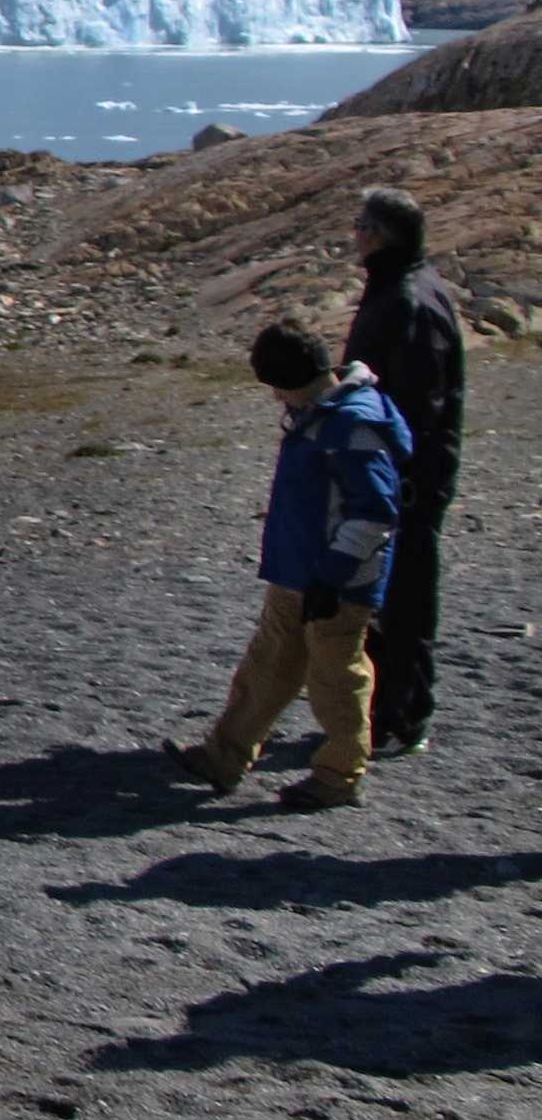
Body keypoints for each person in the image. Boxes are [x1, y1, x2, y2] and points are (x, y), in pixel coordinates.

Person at [168, 322, 412, 812]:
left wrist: (335, 574)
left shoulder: (350, 425)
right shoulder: (322, 417)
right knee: (268, 666)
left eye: (276, 386)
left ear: (289, 378)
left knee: (336, 678)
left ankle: (340, 774)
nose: (276, 397)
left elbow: (375, 511)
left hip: (335, 583)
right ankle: (224, 756)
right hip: (299, 572)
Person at [341, 186, 464, 757]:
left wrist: (401, 474)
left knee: (405, 597)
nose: (354, 231)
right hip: (392, 470)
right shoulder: (397, 289)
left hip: (404, 477)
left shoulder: (409, 300)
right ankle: (382, 709)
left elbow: (419, 402)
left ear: (380, 236)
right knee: (382, 594)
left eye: (362, 223)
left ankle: (403, 715)